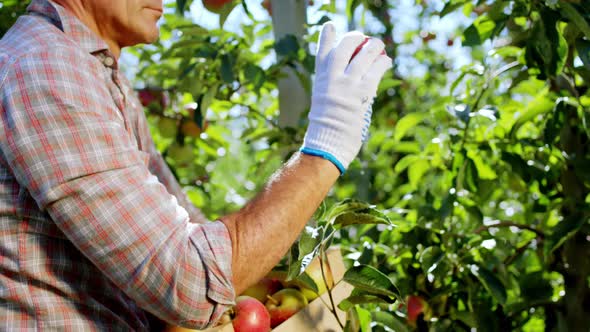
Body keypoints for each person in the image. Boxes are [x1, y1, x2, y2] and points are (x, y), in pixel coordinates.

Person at [0, 0, 391, 330]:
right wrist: (326, 145)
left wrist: (278, 264)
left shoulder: (92, 68)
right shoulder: (48, 66)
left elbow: (185, 229)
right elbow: (188, 281)